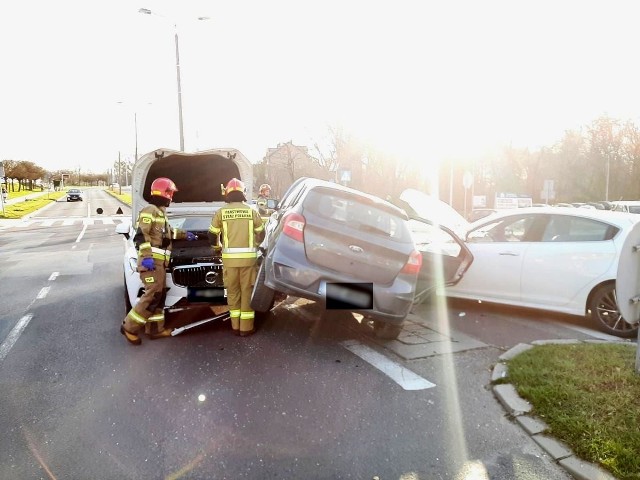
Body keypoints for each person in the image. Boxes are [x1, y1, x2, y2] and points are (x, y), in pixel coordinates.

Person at [120, 177, 197, 345]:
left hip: (159, 263)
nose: (172, 197)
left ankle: (155, 330)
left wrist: (186, 235)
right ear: (165, 193)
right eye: (171, 194)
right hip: (152, 262)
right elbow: (142, 235)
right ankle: (129, 327)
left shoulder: (160, 213)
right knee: (152, 294)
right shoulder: (150, 210)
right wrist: (146, 257)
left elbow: (167, 234)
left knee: (159, 296)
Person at [208, 178, 264, 336]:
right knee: (247, 292)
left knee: (232, 292)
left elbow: (212, 235)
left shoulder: (221, 212)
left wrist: (217, 249)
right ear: (243, 193)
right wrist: (257, 244)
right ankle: (246, 328)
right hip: (248, 261)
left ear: (227, 193)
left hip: (229, 262)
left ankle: (234, 326)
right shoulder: (251, 211)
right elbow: (261, 232)